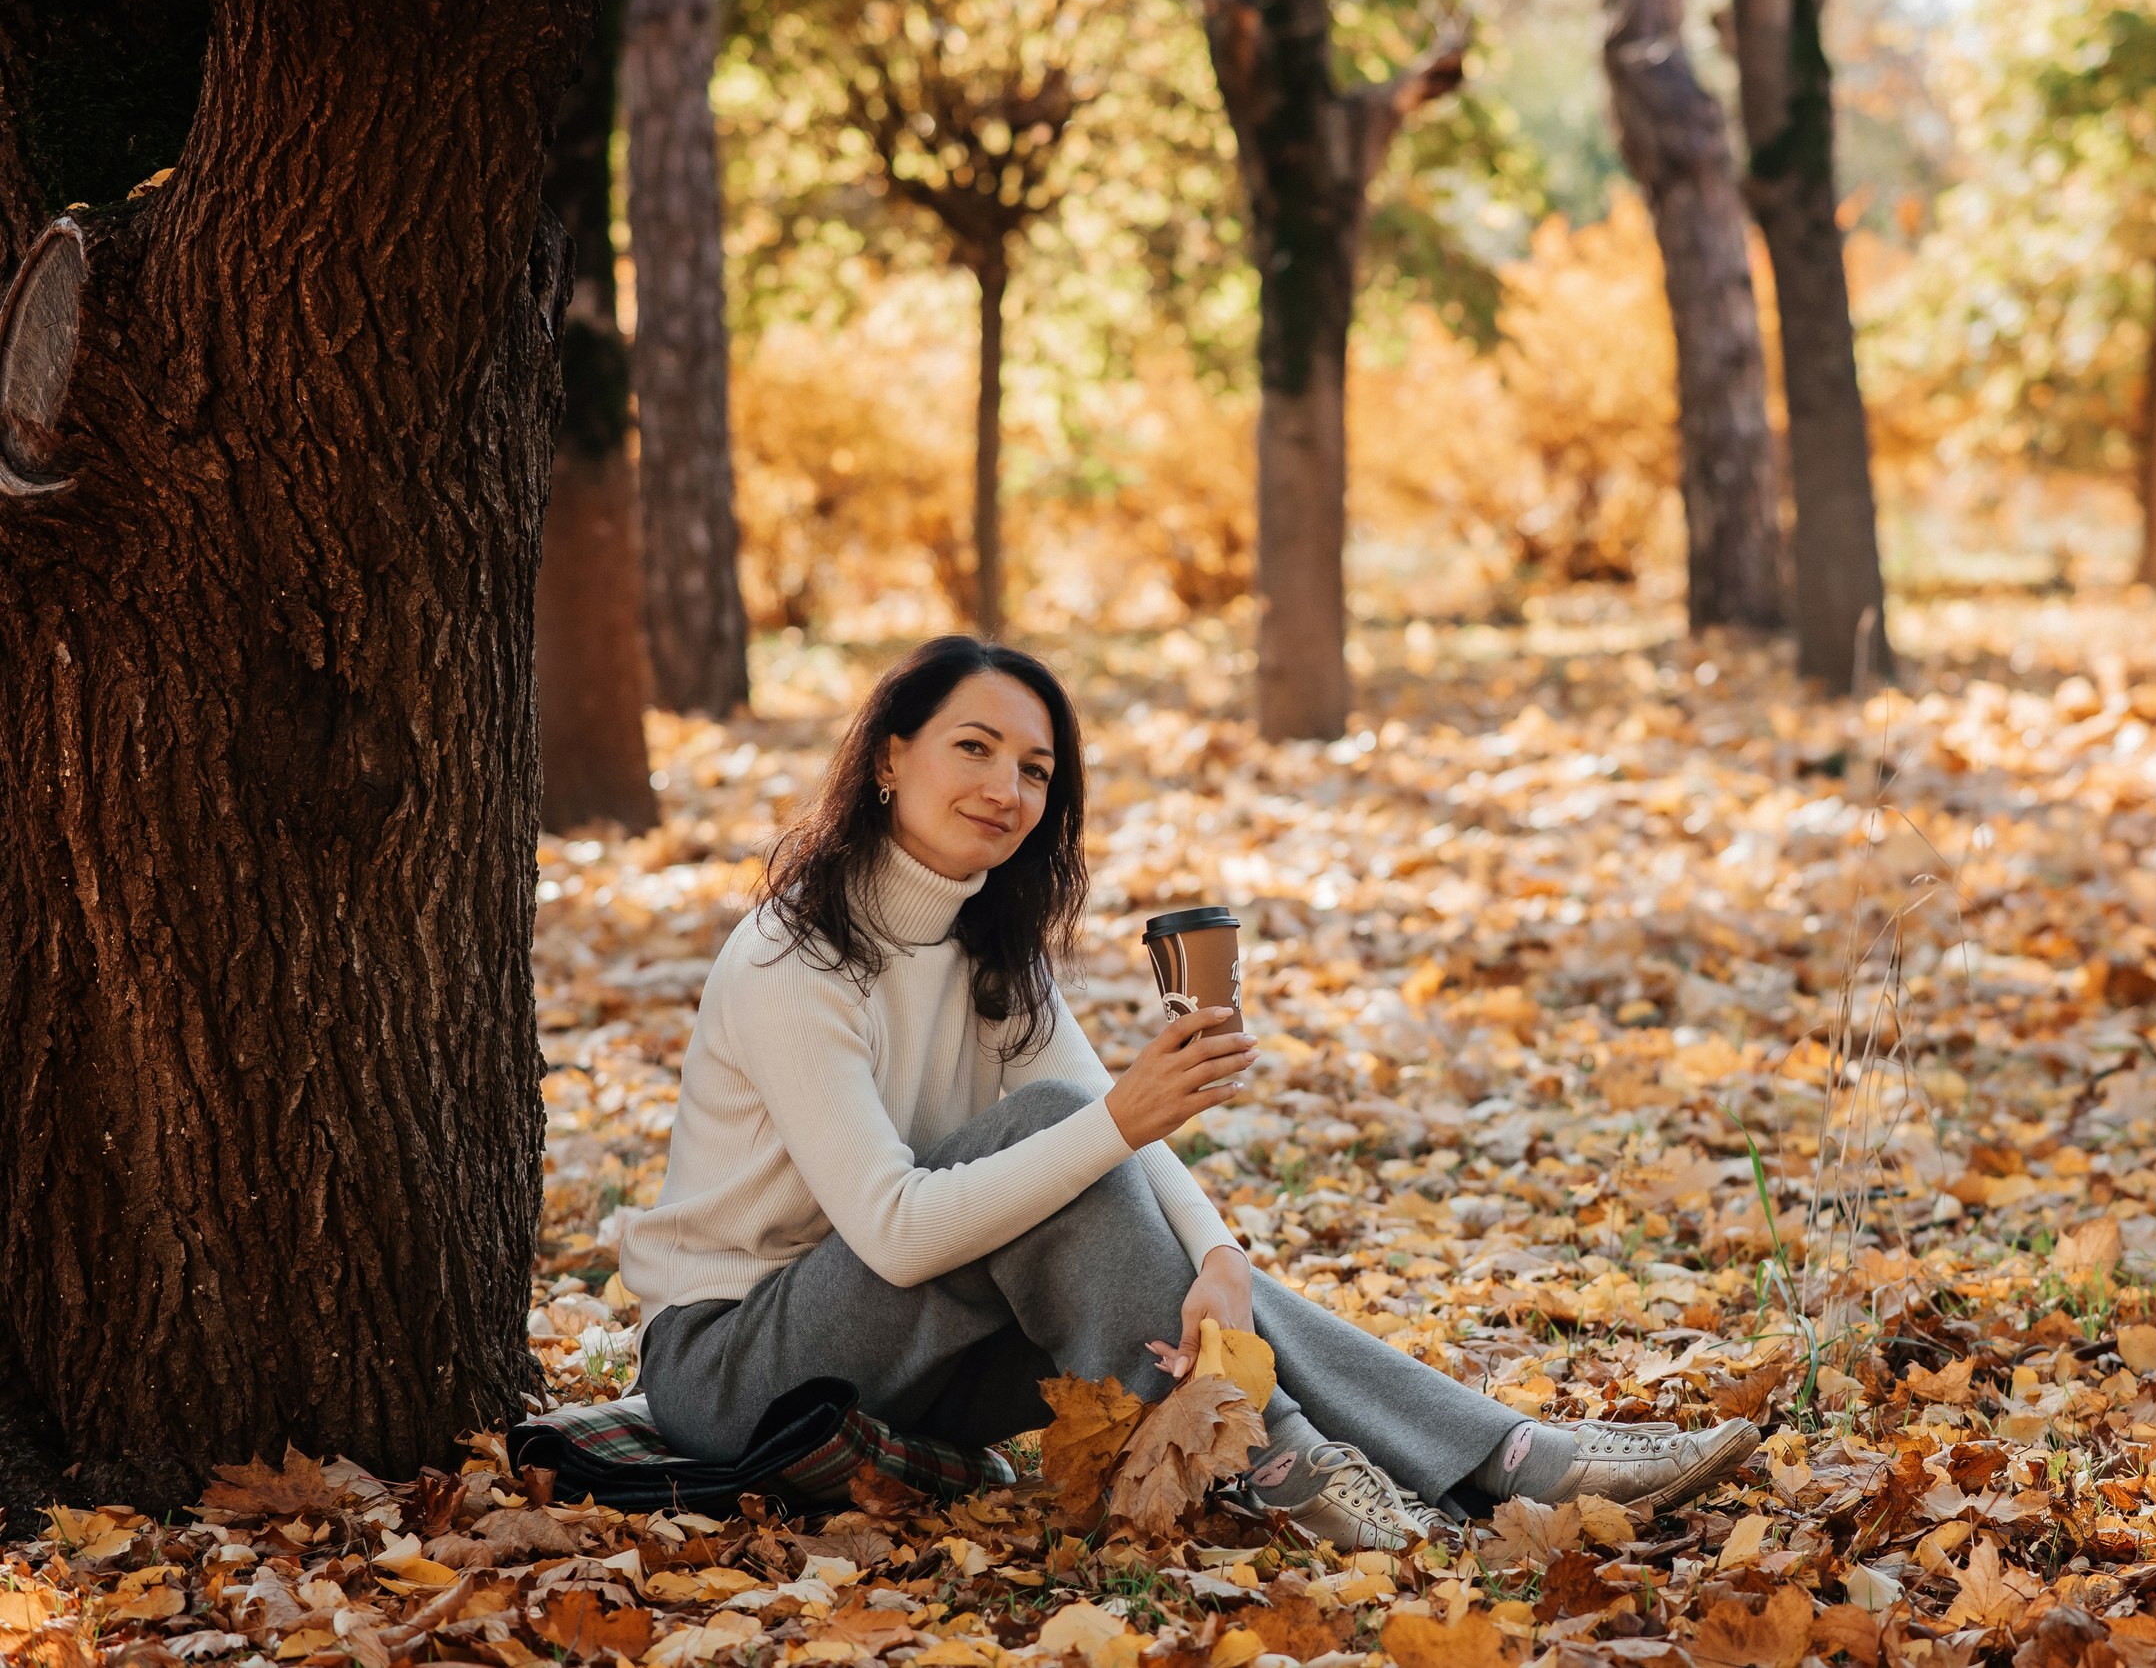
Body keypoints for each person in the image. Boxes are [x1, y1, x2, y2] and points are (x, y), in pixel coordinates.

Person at [623, 636, 1759, 1549]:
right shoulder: (793, 957)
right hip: (740, 1369)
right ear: (887, 756)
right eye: (973, 747)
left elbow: (1102, 1145)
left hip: (911, 1372)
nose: (1005, 787)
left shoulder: (989, 951)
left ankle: (1500, 1459)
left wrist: (1218, 1259)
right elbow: (899, 1228)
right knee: (1053, 1137)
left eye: (1034, 769)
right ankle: (1298, 1462)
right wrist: (1120, 1116)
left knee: (1148, 1240)